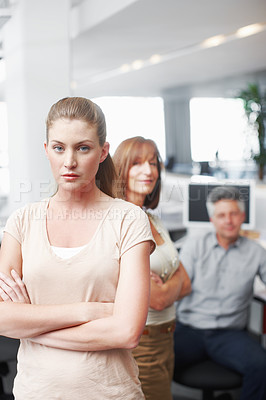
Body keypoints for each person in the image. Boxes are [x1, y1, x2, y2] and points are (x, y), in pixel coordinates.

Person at [0, 97, 155, 400]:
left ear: (102, 152)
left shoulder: (128, 220)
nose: (69, 161)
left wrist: (30, 322)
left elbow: (126, 332)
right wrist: (88, 311)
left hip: (111, 393)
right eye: (59, 148)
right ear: (47, 151)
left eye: (82, 148)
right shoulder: (22, 221)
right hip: (36, 392)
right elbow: (3, 319)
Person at [113, 136, 191, 400]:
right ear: (121, 169)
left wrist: (169, 283)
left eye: (153, 162)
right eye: (137, 163)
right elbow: (156, 300)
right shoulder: (118, 222)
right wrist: (174, 282)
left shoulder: (153, 220)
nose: (148, 170)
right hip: (141, 345)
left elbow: (187, 282)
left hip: (166, 339)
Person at [174, 186, 266, 400]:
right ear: (212, 219)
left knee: (261, 366)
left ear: (242, 216)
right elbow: (177, 286)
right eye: (222, 215)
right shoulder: (194, 246)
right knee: (153, 360)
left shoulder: (257, 252)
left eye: (234, 214)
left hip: (229, 334)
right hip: (189, 330)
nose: (229, 220)